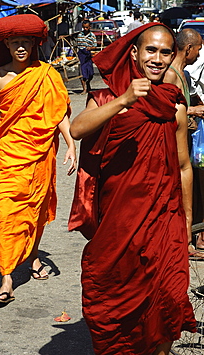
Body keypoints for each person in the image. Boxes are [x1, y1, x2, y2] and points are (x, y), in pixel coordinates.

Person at [68, 23, 196, 355]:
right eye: (150, 50)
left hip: (164, 218)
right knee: (115, 296)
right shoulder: (108, 95)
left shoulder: (174, 104)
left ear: (173, 56)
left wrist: (185, 219)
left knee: (167, 295)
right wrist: (124, 99)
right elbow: (78, 129)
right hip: (120, 218)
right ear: (135, 53)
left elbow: (184, 166)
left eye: (165, 51)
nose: (157, 58)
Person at [0, 14, 76, 304]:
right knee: (7, 213)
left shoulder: (47, 74)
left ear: (33, 44)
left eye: (25, 43)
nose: (20, 48)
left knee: (37, 211)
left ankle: (32, 257)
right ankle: (6, 279)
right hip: (8, 156)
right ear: (6, 43)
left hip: (41, 152)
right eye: (15, 42)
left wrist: (70, 144)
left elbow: (58, 114)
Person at [163, 28, 204, 257]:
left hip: (184, 142)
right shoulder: (170, 75)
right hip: (172, 146)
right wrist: (194, 110)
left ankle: (186, 241)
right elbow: (165, 108)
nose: (199, 55)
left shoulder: (183, 74)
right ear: (188, 48)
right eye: (198, 49)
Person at [76, 20, 97, 94]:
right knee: (82, 73)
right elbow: (77, 45)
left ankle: (88, 84)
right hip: (81, 55)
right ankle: (84, 89)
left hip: (88, 55)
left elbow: (95, 46)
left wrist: (90, 48)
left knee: (90, 73)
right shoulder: (79, 35)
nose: (85, 29)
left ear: (90, 27)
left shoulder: (92, 36)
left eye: (87, 27)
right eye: (84, 27)